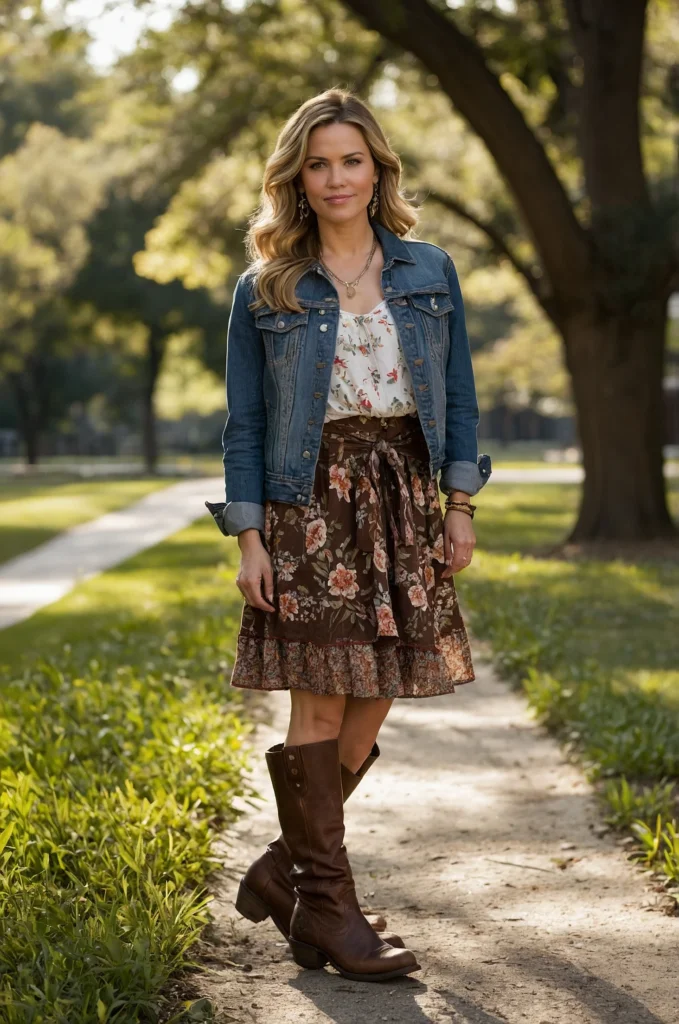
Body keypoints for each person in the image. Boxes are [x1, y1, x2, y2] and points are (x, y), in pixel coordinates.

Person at [205, 87, 492, 984]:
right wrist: (250, 537)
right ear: (297, 177)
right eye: (317, 163)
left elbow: (460, 401)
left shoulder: (427, 270)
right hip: (308, 502)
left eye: (350, 160)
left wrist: (457, 503)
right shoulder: (268, 288)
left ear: (377, 170)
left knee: (378, 698)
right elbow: (244, 424)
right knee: (319, 703)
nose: (335, 178)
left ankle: (287, 879)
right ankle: (332, 909)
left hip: (404, 494)